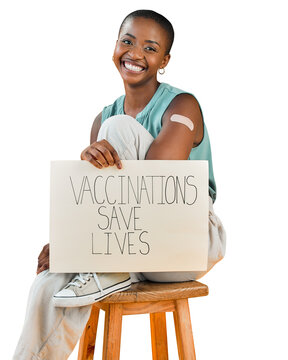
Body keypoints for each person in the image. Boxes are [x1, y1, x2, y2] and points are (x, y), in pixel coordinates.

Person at [13, 9, 226, 359]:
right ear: (115, 46)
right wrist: (70, 244)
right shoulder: (102, 117)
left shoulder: (182, 104)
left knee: (117, 131)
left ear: (164, 60)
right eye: (127, 41)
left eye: (150, 47)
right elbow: (101, 203)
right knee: (49, 282)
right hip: (131, 243)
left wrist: (87, 246)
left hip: (187, 239)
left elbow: (156, 184)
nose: (135, 53)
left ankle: (108, 265)